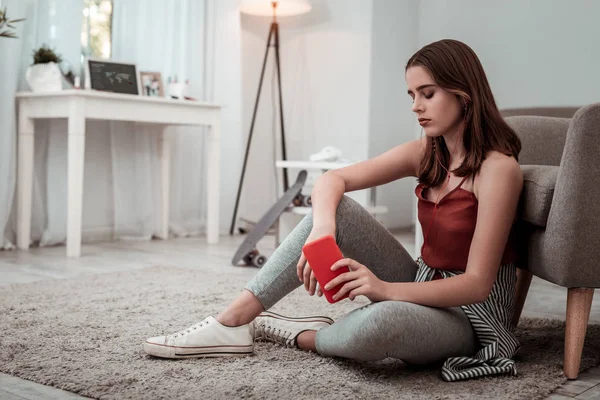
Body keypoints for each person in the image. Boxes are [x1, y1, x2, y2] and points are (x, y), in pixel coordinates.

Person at [143, 39, 524, 382]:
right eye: (411, 94)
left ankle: (299, 334)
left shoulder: (498, 170)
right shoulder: (427, 151)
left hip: (471, 317)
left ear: (464, 93)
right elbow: (332, 180)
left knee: (384, 322)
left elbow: (478, 283)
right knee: (335, 209)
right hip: (423, 283)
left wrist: (384, 289)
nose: (416, 107)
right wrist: (322, 231)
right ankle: (233, 321)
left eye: (428, 93)